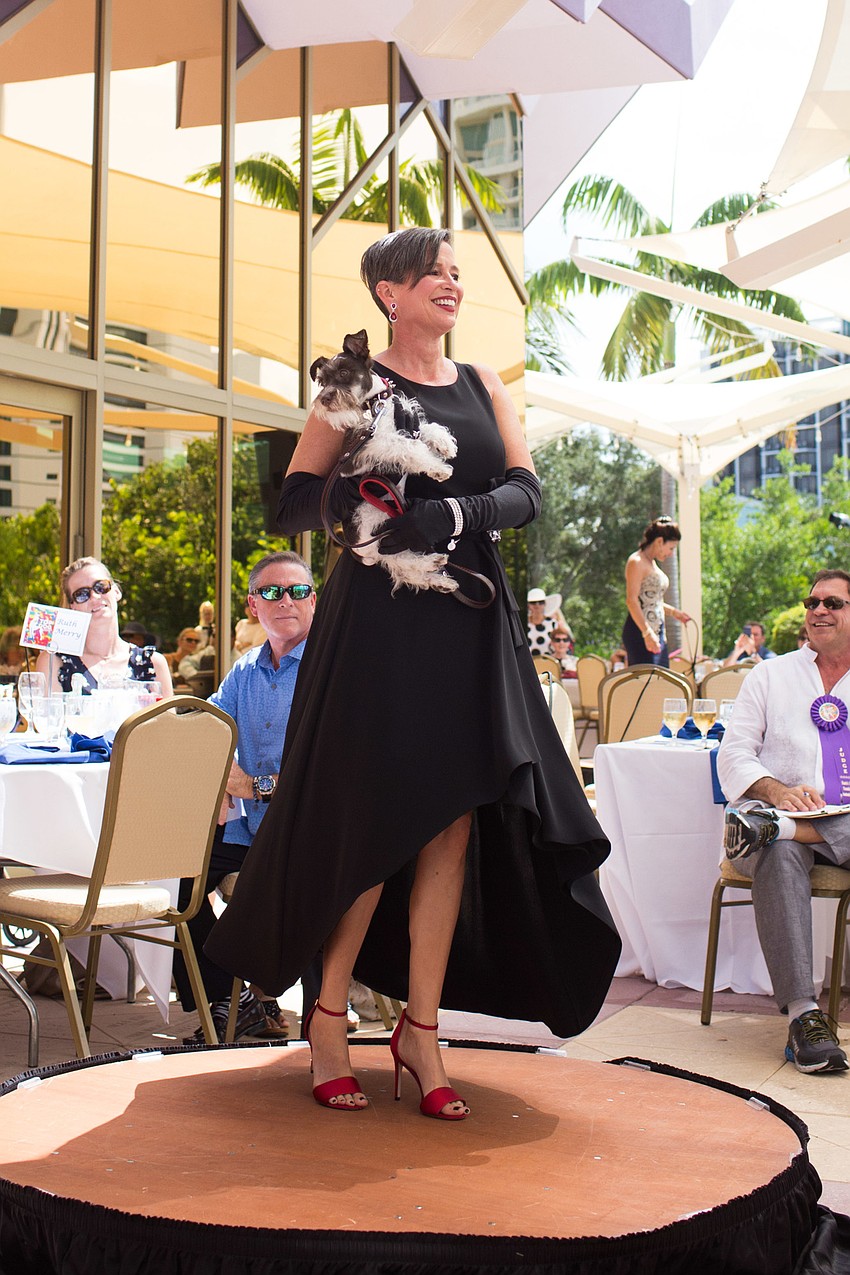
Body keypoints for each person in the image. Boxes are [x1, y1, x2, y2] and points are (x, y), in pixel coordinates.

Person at [206, 226, 620, 1118]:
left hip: (470, 623)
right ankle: (326, 1018)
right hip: (378, 631)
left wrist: (454, 514)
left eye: (456, 272)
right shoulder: (350, 387)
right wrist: (363, 503)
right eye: (433, 271)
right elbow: (293, 494)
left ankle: (420, 1031)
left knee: (452, 825)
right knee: (371, 821)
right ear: (388, 291)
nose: (450, 281)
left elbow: (527, 490)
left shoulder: (483, 384)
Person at [176, 550, 317, 1044]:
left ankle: (296, 1008)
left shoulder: (328, 671)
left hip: (305, 832)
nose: (286, 601)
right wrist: (219, 778)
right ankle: (228, 1005)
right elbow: (202, 726)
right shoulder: (244, 671)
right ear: (254, 606)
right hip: (245, 830)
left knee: (287, 899)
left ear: (314, 601)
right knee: (178, 884)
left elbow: (324, 771)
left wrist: (253, 786)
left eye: (298, 591)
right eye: (272, 592)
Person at [717, 569, 850, 1074]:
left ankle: (785, 828)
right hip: (774, 819)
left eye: (833, 603)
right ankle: (804, 1016)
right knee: (777, 850)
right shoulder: (771, 674)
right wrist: (776, 792)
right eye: (812, 601)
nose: (819, 610)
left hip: (841, 819)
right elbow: (733, 755)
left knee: (779, 837)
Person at [38, 557, 173, 695]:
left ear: (116, 591)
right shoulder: (54, 661)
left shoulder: (153, 663)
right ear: (72, 606)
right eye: (81, 594)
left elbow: (168, 717)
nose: (94, 597)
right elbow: (44, 716)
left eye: (101, 587)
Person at [622, 516, 690, 668]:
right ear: (660, 541)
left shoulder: (651, 563)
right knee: (645, 684)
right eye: (671, 548)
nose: (671, 554)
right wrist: (647, 633)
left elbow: (652, 601)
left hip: (657, 633)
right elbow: (632, 601)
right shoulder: (636, 562)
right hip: (640, 632)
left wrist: (674, 613)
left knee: (661, 684)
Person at [526, 587, 567, 655]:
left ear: (545, 604)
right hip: (527, 663)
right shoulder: (521, 624)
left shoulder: (553, 624)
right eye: (533, 602)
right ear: (528, 605)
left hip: (548, 662)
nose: (537, 605)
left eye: (541, 602)